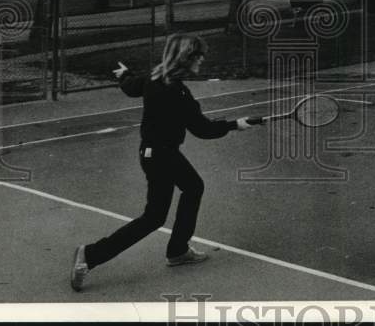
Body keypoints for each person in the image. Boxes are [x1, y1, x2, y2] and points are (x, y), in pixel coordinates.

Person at [70, 33, 263, 291]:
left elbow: (131, 87)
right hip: (162, 155)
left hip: (154, 153)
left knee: (191, 188)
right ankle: (91, 254)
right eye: (198, 55)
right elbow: (203, 129)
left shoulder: (154, 78)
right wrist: (236, 124)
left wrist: (124, 74)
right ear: (185, 57)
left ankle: (178, 250)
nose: (202, 59)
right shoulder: (177, 92)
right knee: (155, 217)